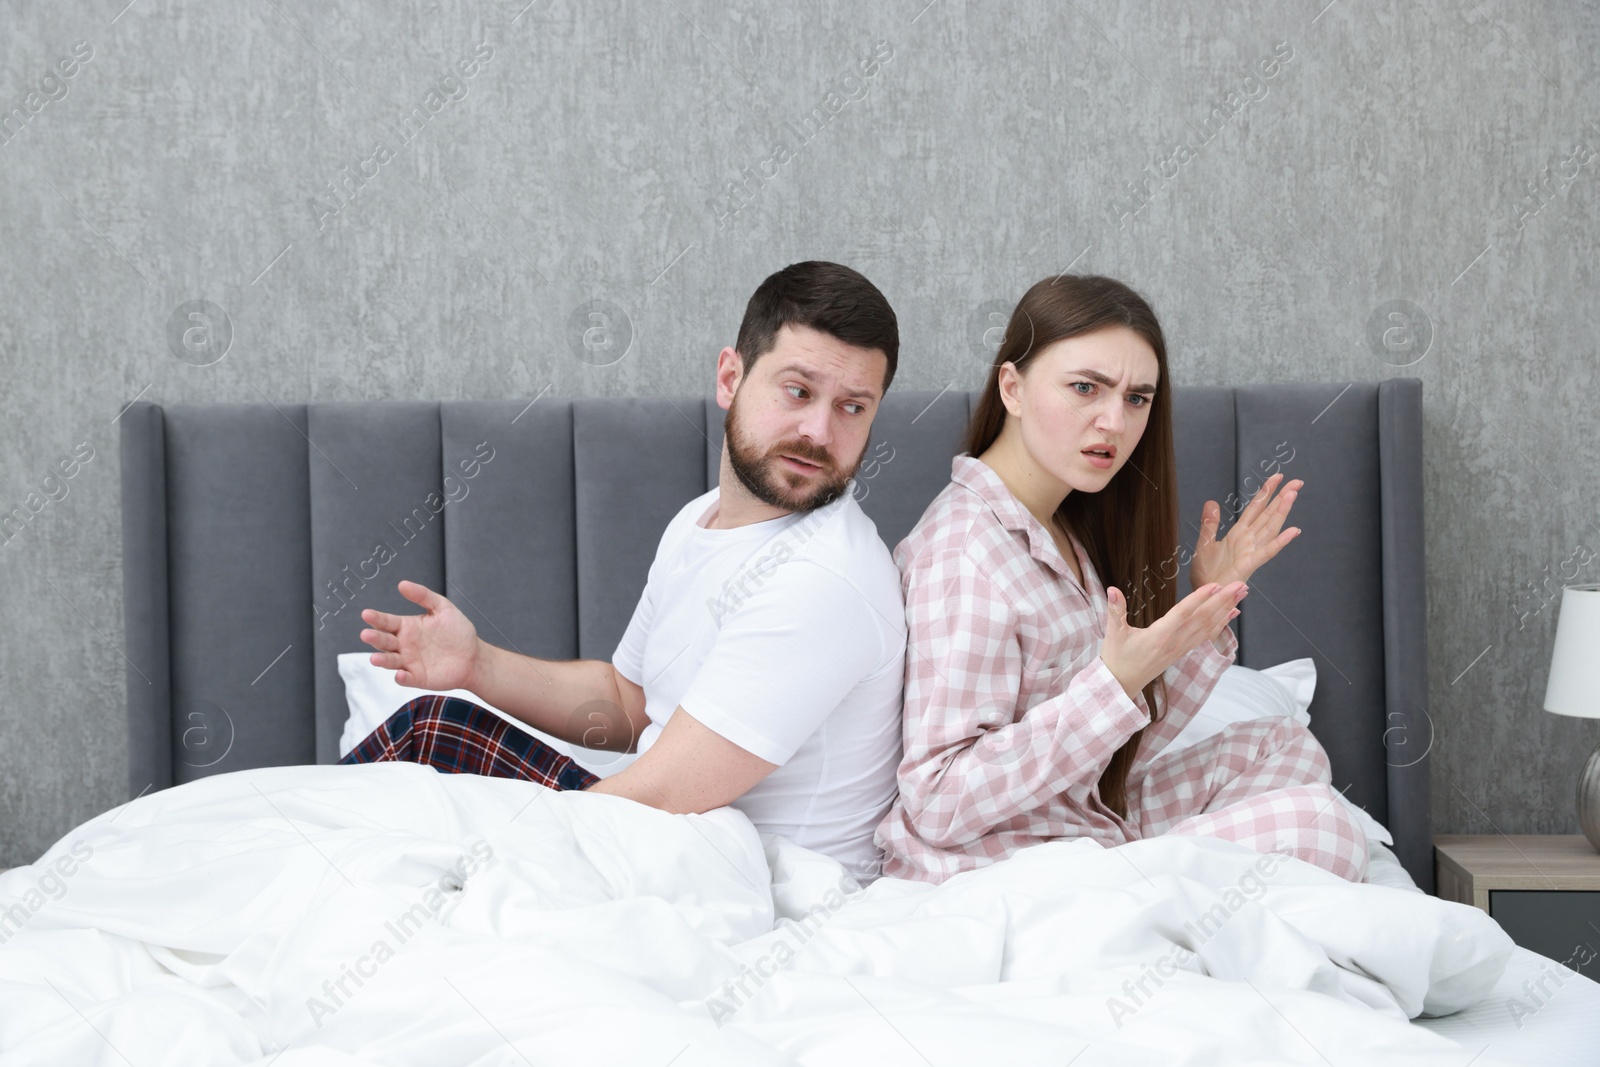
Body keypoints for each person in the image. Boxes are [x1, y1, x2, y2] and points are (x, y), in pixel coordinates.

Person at [344, 261, 907, 881]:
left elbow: (664, 794)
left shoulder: (824, 576)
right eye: (798, 392)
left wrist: (495, 857)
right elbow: (628, 703)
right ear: (730, 377)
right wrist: (478, 666)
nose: (819, 431)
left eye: (853, 408)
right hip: (672, 834)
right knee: (432, 734)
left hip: (751, 879)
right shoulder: (703, 520)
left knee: (426, 755)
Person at [874, 274, 1369, 885]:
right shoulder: (965, 555)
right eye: (1086, 388)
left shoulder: (1061, 531)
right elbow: (940, 802)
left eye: (1137, 398)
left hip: (1080, 822)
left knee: (1281, 745)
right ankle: (1169, 882)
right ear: (1013, 387)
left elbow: (1113, 753)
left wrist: (1206, 607)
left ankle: (1170, 876)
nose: (1114, 421)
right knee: (1326, 827)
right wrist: (1113, 685)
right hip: (1005, 869)